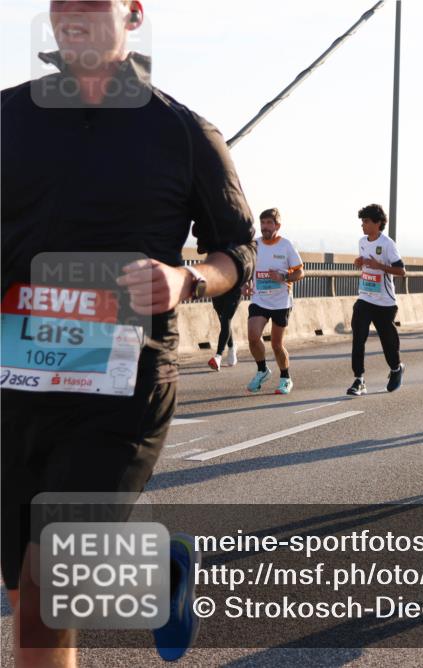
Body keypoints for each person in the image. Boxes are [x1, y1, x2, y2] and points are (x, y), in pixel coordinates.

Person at [1, 2, 256, 664]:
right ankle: (155, 575)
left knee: (48, 584)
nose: (71, 11)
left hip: (121, 383)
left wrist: (186, 279)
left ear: (133, 13)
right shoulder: (8, 116)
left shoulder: (183, 133)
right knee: (28, 598)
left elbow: (237, 253)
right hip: (15, 379)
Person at [347, 204, 406, 396]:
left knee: (388, 342)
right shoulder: (362, 241)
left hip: (385, 302)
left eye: (366, 221)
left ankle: (396, 368)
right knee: (358, 337)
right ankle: (359, 379)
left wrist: (379, 265)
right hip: (365, 298)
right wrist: (359, 262)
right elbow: (365, 263)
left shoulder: (387, 244)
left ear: (378, 223)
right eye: (362, 221)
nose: (362, 225)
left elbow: (401, 271)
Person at [245, 208, 304, 395]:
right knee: (253, 337)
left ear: (277, 225)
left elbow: (300, 272)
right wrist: (244, 284)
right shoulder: (254, 245)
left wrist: (283, 277)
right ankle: (262, 370)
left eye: (269, 223)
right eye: (263, 223)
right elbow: (247, 268)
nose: (265, 227)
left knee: (276, 345)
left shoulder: (286, 245)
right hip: (259, 299)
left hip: (281, 302)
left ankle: (285, 377)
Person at [208, 283, 241, 370]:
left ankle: (218, 357)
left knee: (226, 320)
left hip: (234, 290)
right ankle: (232, 347)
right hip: (217, 291)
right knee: (224, 323)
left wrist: (245, 283)